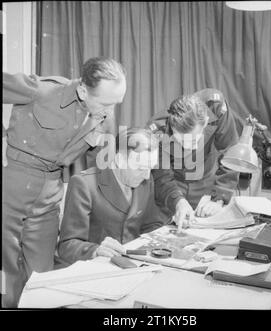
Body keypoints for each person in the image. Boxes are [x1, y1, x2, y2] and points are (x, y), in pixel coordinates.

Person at [2, 57, 127, 307]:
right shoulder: (42, 90)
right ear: (82, 90)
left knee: (43, 276)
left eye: (116, 104)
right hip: (11, 188)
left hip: (49, 195)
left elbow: (102, 176)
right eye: (105, 103)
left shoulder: (104, 117)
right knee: (7, 275)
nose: (110, 112)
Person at [58, 128, 164, 265]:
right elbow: (67, 246)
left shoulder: (145, 181)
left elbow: (151, 224)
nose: (147, 176)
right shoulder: (84, 184)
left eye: (151, 168)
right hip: (96, 269)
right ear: (119, 160)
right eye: (141, 168)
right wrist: (95, 250)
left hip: (134, 266)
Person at [147, 88, 240, 232]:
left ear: (206, 122)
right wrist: (178, 201)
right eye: (182, 141)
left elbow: (230, 151)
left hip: (205, 180)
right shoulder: (157, 130)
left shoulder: (215, 107)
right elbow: (162, 176)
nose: (190, 147)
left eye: (195, 140)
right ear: (172, 128)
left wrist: (220, 196)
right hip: (171, 185)